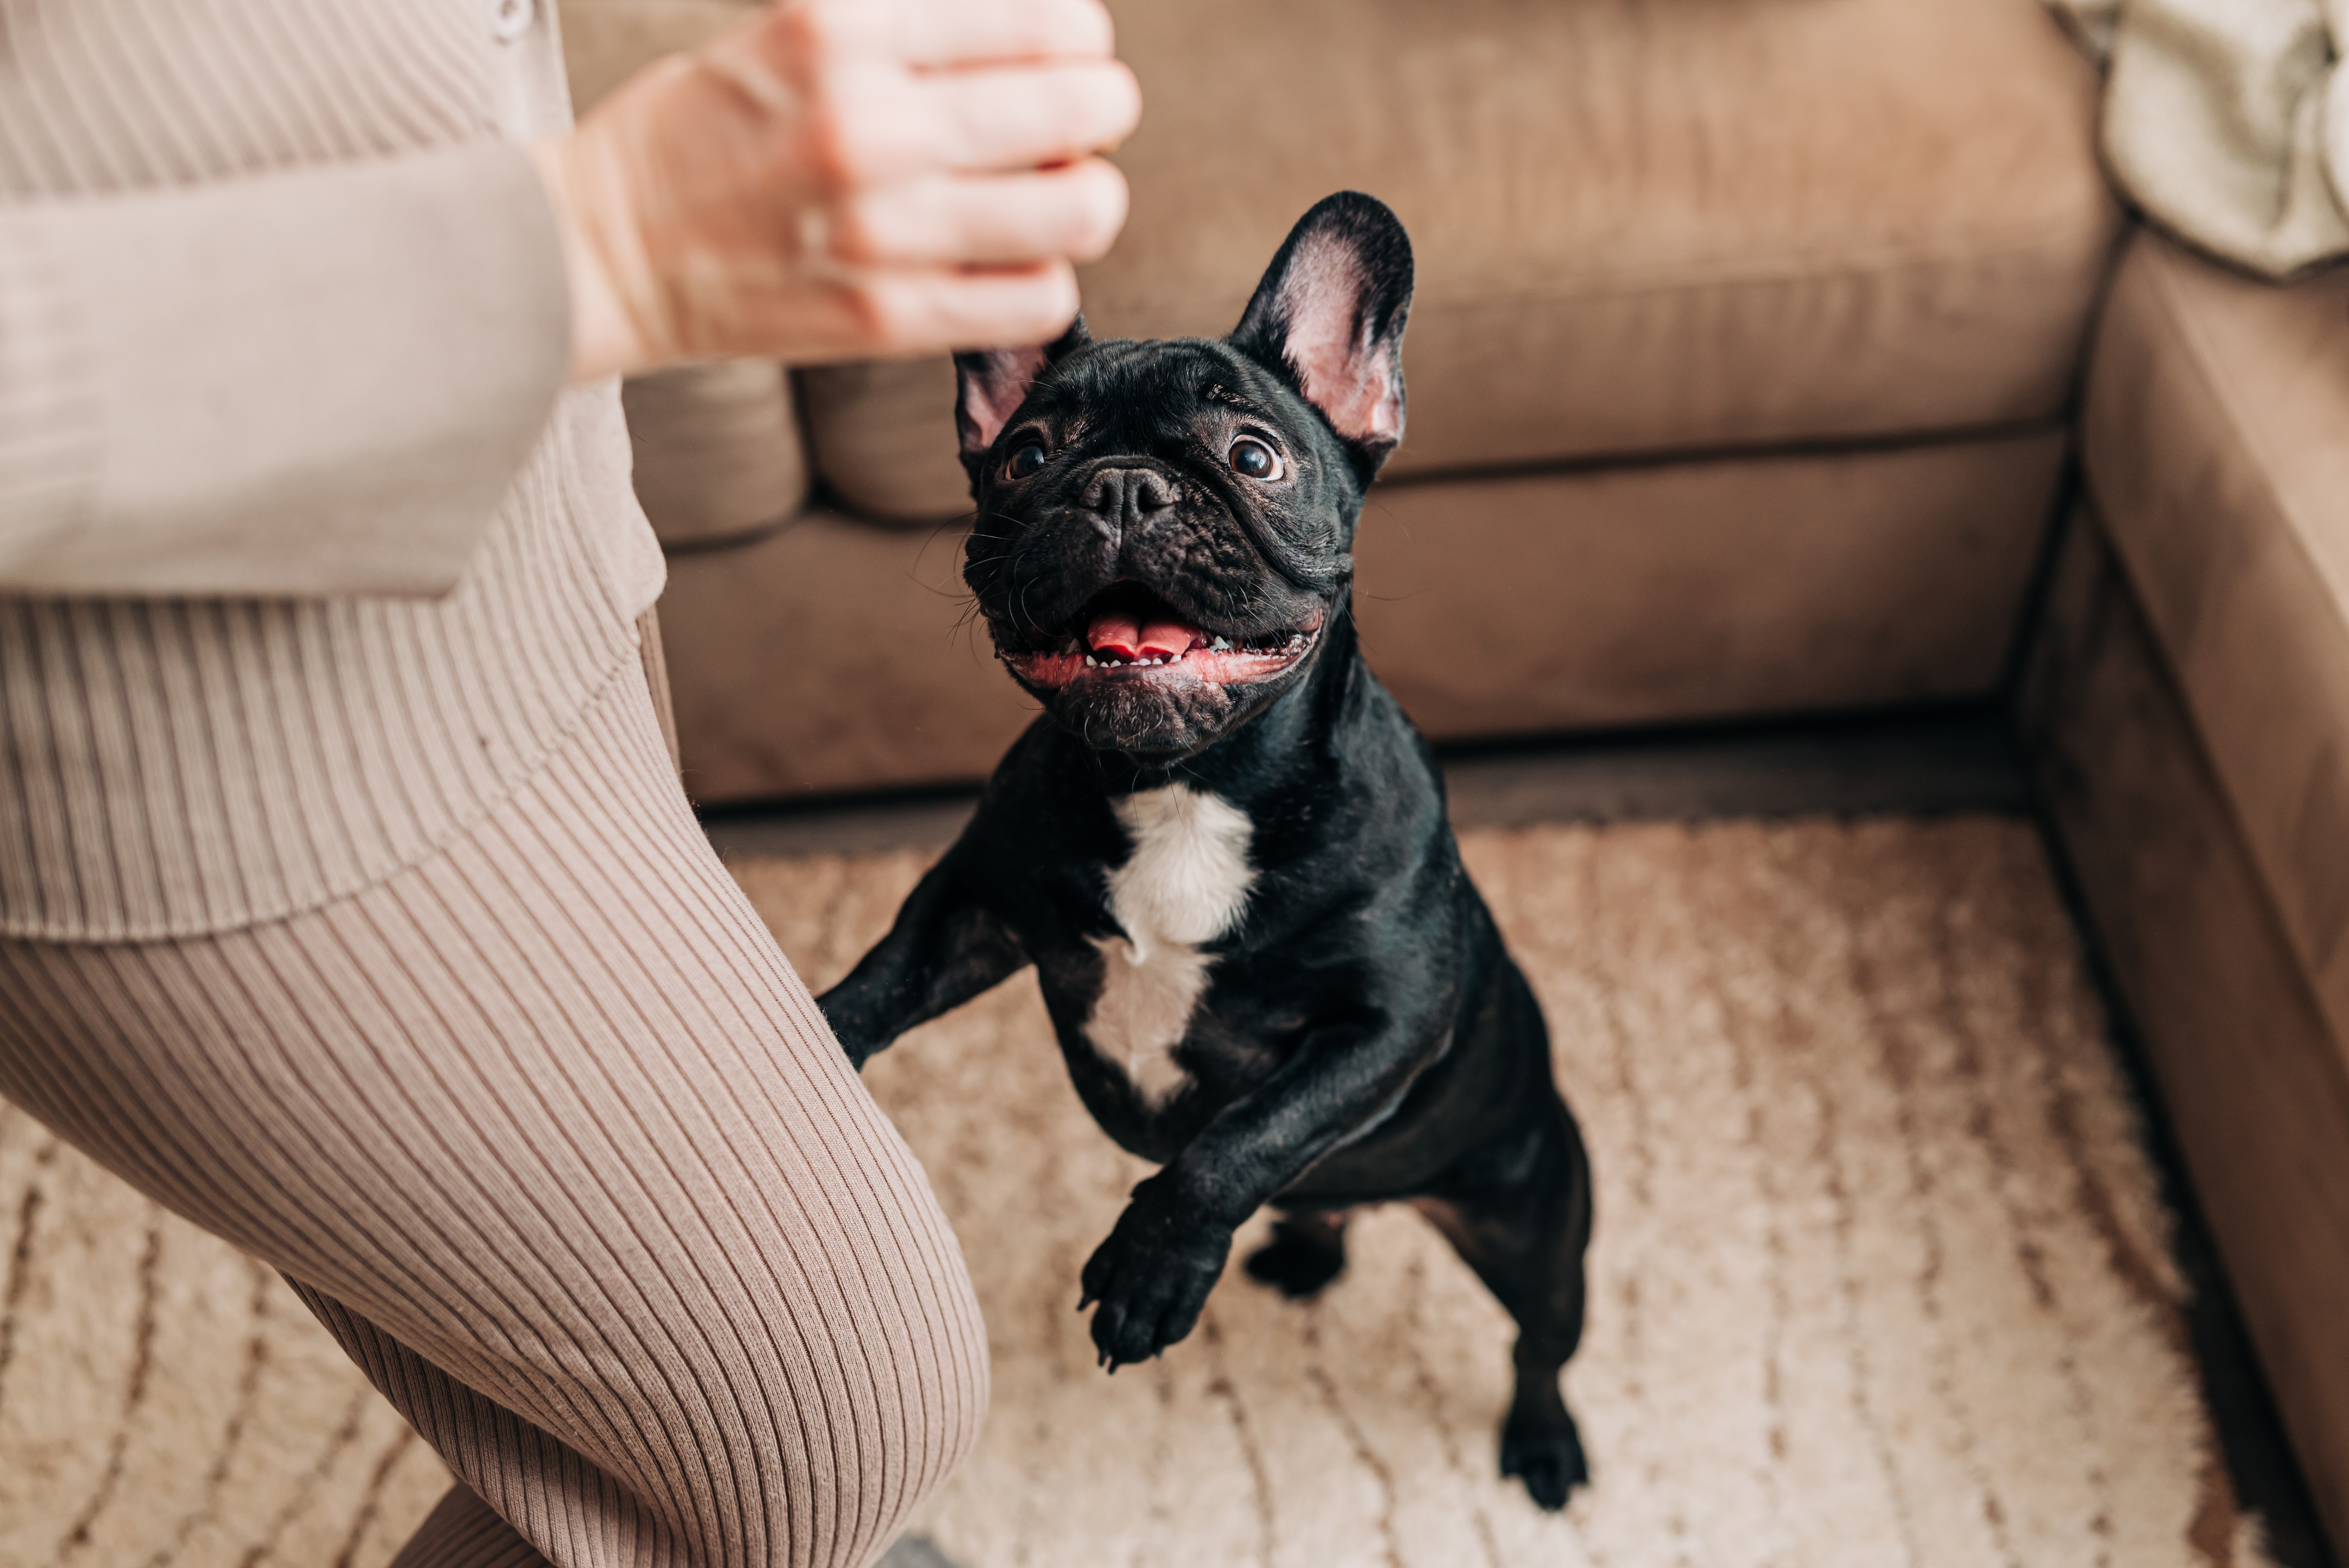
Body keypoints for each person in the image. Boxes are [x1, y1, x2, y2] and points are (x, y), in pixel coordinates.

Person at [0, 2, 1138, 1565]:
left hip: (504, 504)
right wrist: (599, 246)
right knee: (835, 1412)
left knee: (647, 1462)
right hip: (168, 730)